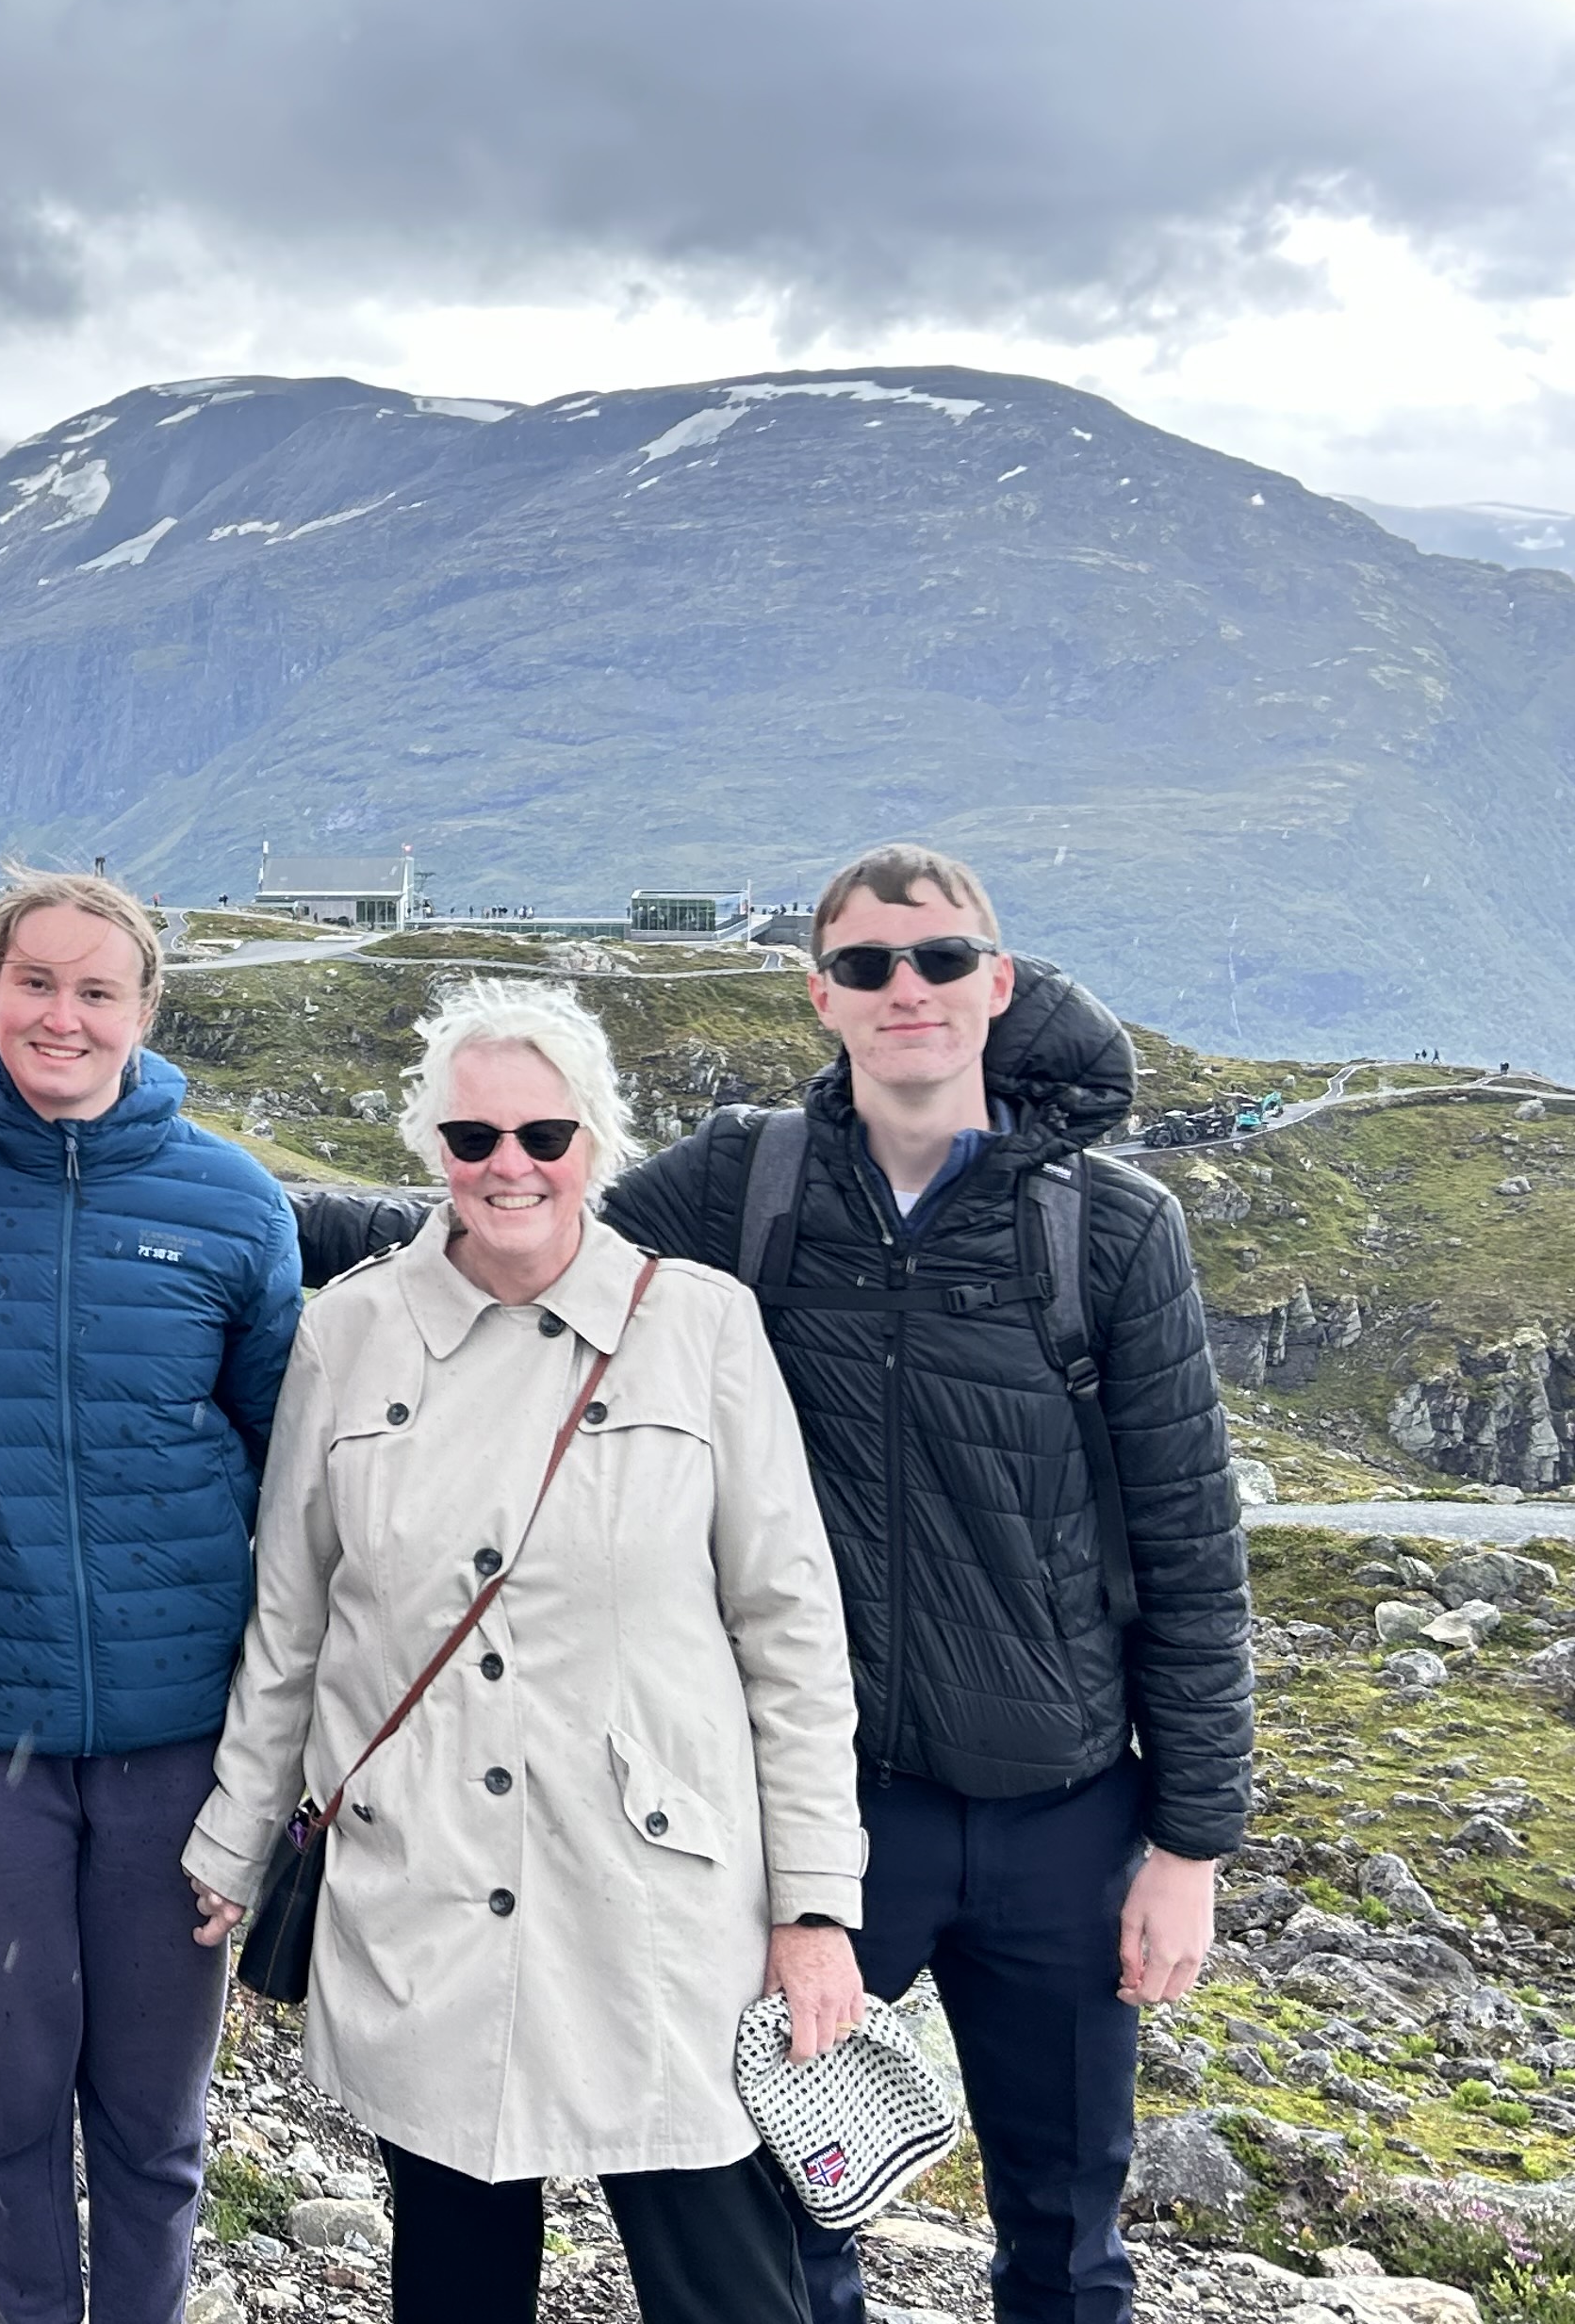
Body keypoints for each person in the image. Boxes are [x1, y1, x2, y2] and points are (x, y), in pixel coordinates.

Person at [599, 847, 1249, 2324]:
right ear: (820, 994)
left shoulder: (1115, 1229)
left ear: (998, 986)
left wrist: (1189, 1849)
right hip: (831, 1817)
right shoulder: (746, 1185)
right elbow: (517, 1236)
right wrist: (237, 1228)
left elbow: (1195, 1557)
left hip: (1067, 1810)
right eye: (873, 966)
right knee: (786, 2203)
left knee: (1068, 2228)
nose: (910, 990)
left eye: (943, 960)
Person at [183, 979, 862, 2324]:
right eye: (474, 1137)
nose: (509, 1168)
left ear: (594, 1145)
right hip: (422, 1878)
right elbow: (295, 1620)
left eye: (543, 1137)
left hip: (656, 1897)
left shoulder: (703, 1326)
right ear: (431, 1147)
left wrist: (815, 1910)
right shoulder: (349, 1330)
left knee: (723, 2277)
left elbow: (791, 1633)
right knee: (452, 2273)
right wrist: (232, 1836)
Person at [0, 871, 304, 2324]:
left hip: (181, 1735)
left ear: (143, 1009)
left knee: (153, 2119)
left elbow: (282, 1457)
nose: (64, 1013)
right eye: (36, 981)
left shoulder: (235, 1206)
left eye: (96, 989)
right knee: (8, 2105)